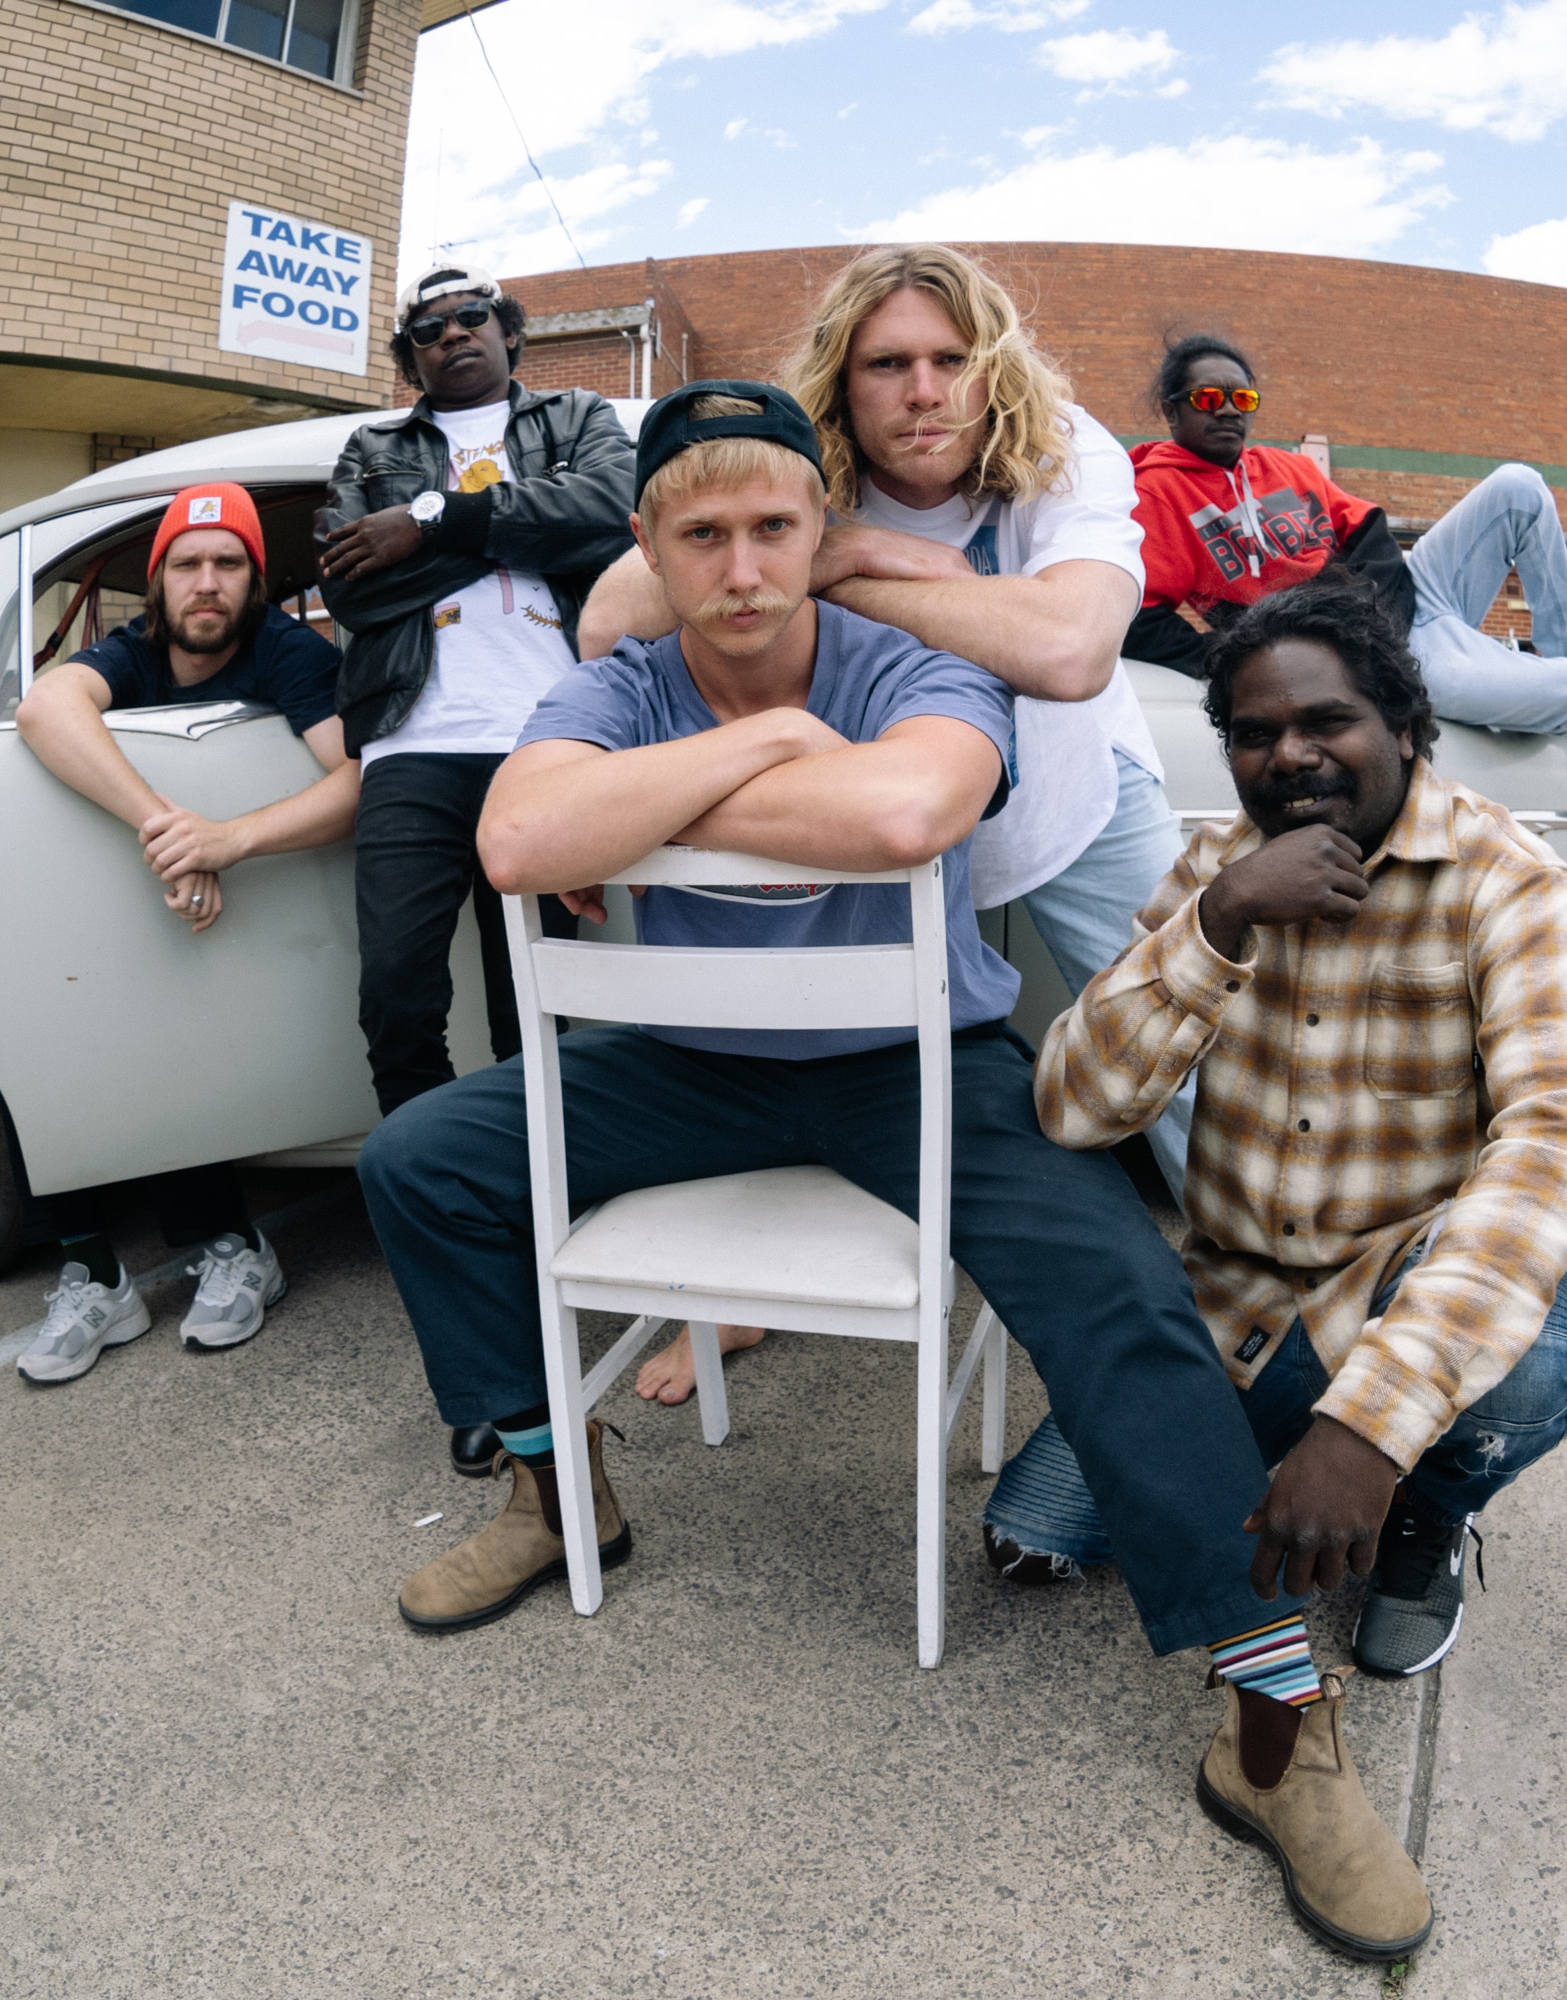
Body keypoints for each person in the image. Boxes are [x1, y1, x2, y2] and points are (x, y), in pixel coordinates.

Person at [363, 388, 1430, 1962]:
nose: (742, 567)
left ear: (820, 535)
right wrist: (781, 744)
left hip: (919, 1063)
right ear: (649, 545)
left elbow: (911, 804)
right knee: (421, 1162)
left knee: (1120, 1284)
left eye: (774, 528)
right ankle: (547, 1485)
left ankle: (1271, 1708)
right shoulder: (615, 678)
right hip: (693, 1065)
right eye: (703, 533)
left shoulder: (917, 662)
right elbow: (519, 844)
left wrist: (704, 781)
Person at [577, 243, 1191, 1410]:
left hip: (1068, 794)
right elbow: (610, 620)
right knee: (777, 1032)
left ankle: (1254, 1295)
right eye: (888, 362)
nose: (923, 392)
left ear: (993, 368)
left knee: (1190, 1044)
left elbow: (1069, 651)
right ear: (840, 380)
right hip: (884, 805)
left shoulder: (1065, 447)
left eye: (952, 359)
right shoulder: (791, 458)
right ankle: (740, 1290)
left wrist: (845, 557)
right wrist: (847, 545)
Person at [992, 580, 1567, 1704]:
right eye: (1255, 733)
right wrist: (1219, 918)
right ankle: (1280, 1445)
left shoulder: (1507, 880)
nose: (1291, 756)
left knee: (1525, 1369)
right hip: (1232, 1303)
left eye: (1326, 721)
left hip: (1400, 1283)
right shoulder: (1217, 868)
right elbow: (1074, 1107)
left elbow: (1556, 1146)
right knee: (1027, 1537)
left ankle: (1429, 1506)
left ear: (1405, 729)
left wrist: (1372, 1432)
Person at [318, 263, 638, 1472]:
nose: (453, 338)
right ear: (410, 359)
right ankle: (452, 1226)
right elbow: (352, 590)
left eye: (472, 322)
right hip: (413, 745)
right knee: (396, 993)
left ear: (509, 337)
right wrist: (495, 531)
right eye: (429, 331)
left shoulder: (576, 421)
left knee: (536, 1006)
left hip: (550, 733)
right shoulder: (371, 447)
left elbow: (615, 514)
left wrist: (435, 523)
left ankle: (555, 1220)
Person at [8, 480, 346, 1382]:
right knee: (40, 1022)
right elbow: (44, 708)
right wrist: (171, 831)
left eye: (228, 563)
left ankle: (232, 1248)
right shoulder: (135, 648)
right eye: (186, 564)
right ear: (156, 584)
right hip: (140, 892)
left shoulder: (287, 652)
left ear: (255, 579)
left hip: (264, 913)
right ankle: (92, 1271)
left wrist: (228, 839)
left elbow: (361, 782)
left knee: (181, 1042)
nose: (207, 583)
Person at [1125, 334, 1567, 757]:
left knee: (1519, 486)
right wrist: (1239, 661)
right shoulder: (1157, 492)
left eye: (1244, 399)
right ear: (1173, 413)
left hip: (1406, 601)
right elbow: (1139, 619)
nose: (1229, 412)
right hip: (1364, 656)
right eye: (1209, 399)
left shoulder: (1288, 467)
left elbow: (1369, 530)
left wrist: (1380, 629)